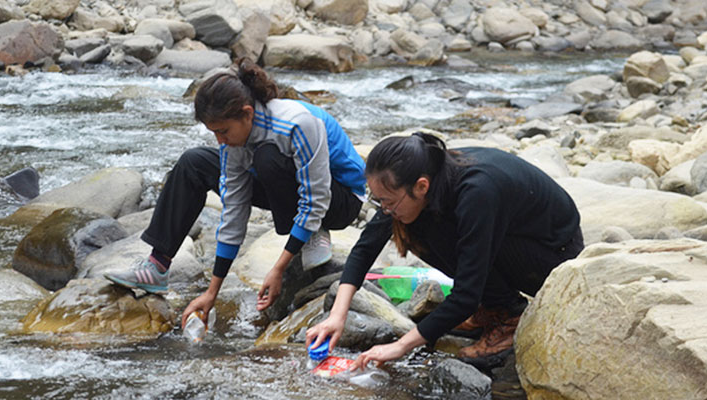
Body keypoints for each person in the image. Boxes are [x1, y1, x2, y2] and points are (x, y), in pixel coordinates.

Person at [105, 58, 367, 320]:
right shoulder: (233, 145)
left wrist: (278, 268)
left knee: (267, 157)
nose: (220, 140)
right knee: (193, 162)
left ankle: (312, 233)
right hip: (292, 187)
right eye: (214, 132)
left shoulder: (298, 124)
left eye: (223, 131)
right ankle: (157, 266)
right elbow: (234, 212)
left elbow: (316, 200)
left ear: (247, 113)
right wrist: (212, 292)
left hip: (340, 199)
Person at [305, 132, 583, 369]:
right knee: (412, 226)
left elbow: (465, 294)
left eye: (388, 202)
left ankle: (509, 315)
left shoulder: (477, 192)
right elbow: (365, 249)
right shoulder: (418, 176)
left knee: (431, 231)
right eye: (379, 201)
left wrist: (401, 346)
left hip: (554, 257)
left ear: (421, 186)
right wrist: (337, 316)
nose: (385, 209)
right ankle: (493, 305)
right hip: (514, 238)